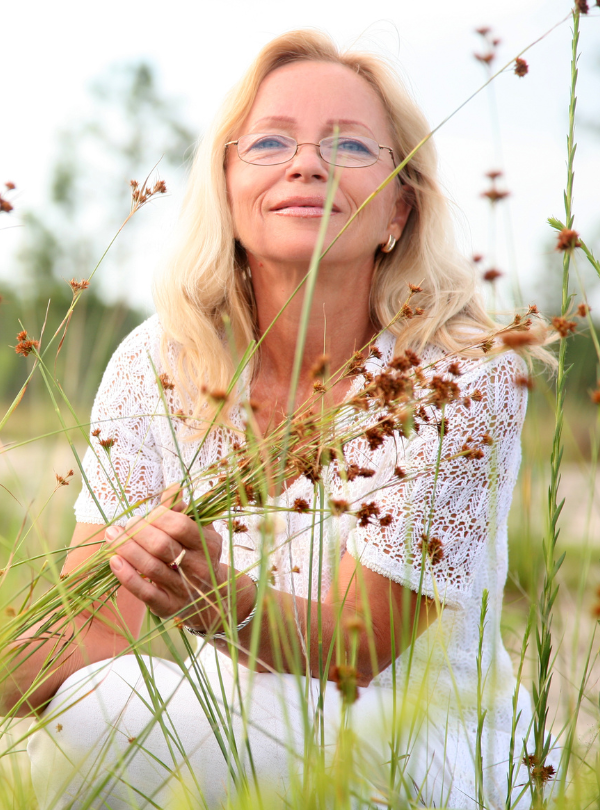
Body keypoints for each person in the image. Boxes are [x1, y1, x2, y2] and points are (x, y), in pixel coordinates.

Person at [3, 29, 551, 810]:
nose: (307, 164)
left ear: (398, 209)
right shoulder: (160, 360)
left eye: (350, 145)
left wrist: (218, 599)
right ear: (226, 187)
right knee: (75, 713)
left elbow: (362, 647)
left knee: (98, 721)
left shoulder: (461, 375)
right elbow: (93, 630)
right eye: (269, 141)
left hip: (419, 741)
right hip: (228, 732)